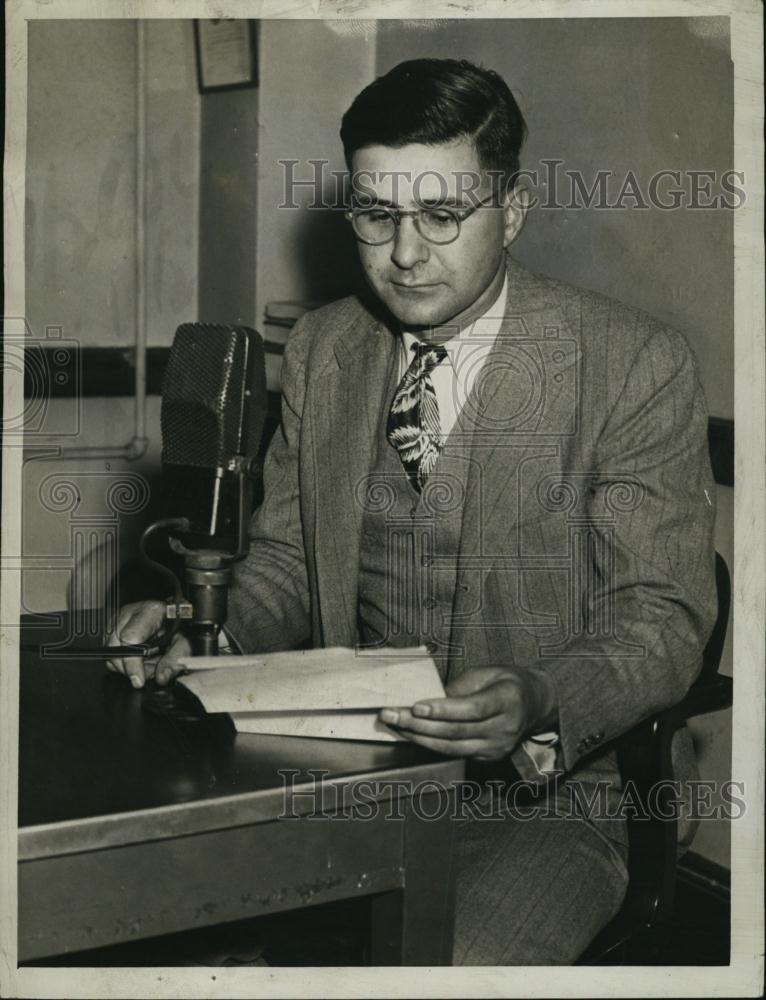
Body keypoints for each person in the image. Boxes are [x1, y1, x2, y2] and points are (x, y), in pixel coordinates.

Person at [107, 58, 718, 964]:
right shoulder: (323, 349)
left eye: (441, 216)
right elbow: (286, 561)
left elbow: (663, 620)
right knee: (164, 933)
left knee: (441, 969)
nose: (403, 253)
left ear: (511, 210)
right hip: (350, 778)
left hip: (555, 798)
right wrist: (212, 630)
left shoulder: (631, 364)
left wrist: (543, 695)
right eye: (376, 215)